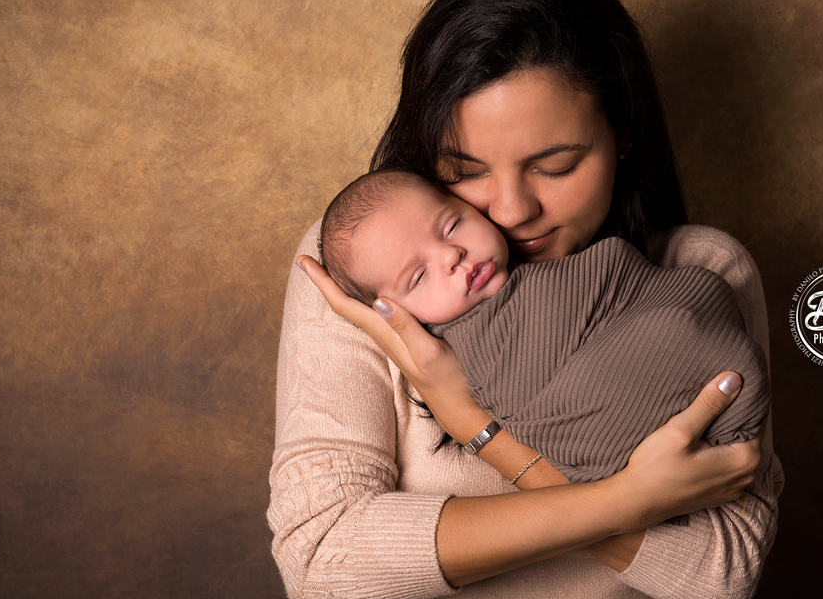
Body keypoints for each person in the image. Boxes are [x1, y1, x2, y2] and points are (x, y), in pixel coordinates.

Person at [269, 0, 782, 599]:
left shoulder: (697, 279)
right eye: (465, 169)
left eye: (555, 164)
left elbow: (722, 578)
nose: (509, 211)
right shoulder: (367, 269)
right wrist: (624, 501)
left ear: (623, 137)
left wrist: (474, 423)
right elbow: (320, 562)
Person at [317, 169, 770, 483]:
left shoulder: (706, 253)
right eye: (419, 277)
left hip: (694, 361)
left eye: (452, 225)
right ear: (387, 310)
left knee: (699, 293)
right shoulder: (454, 343)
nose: (450, 256)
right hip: (594, 430)